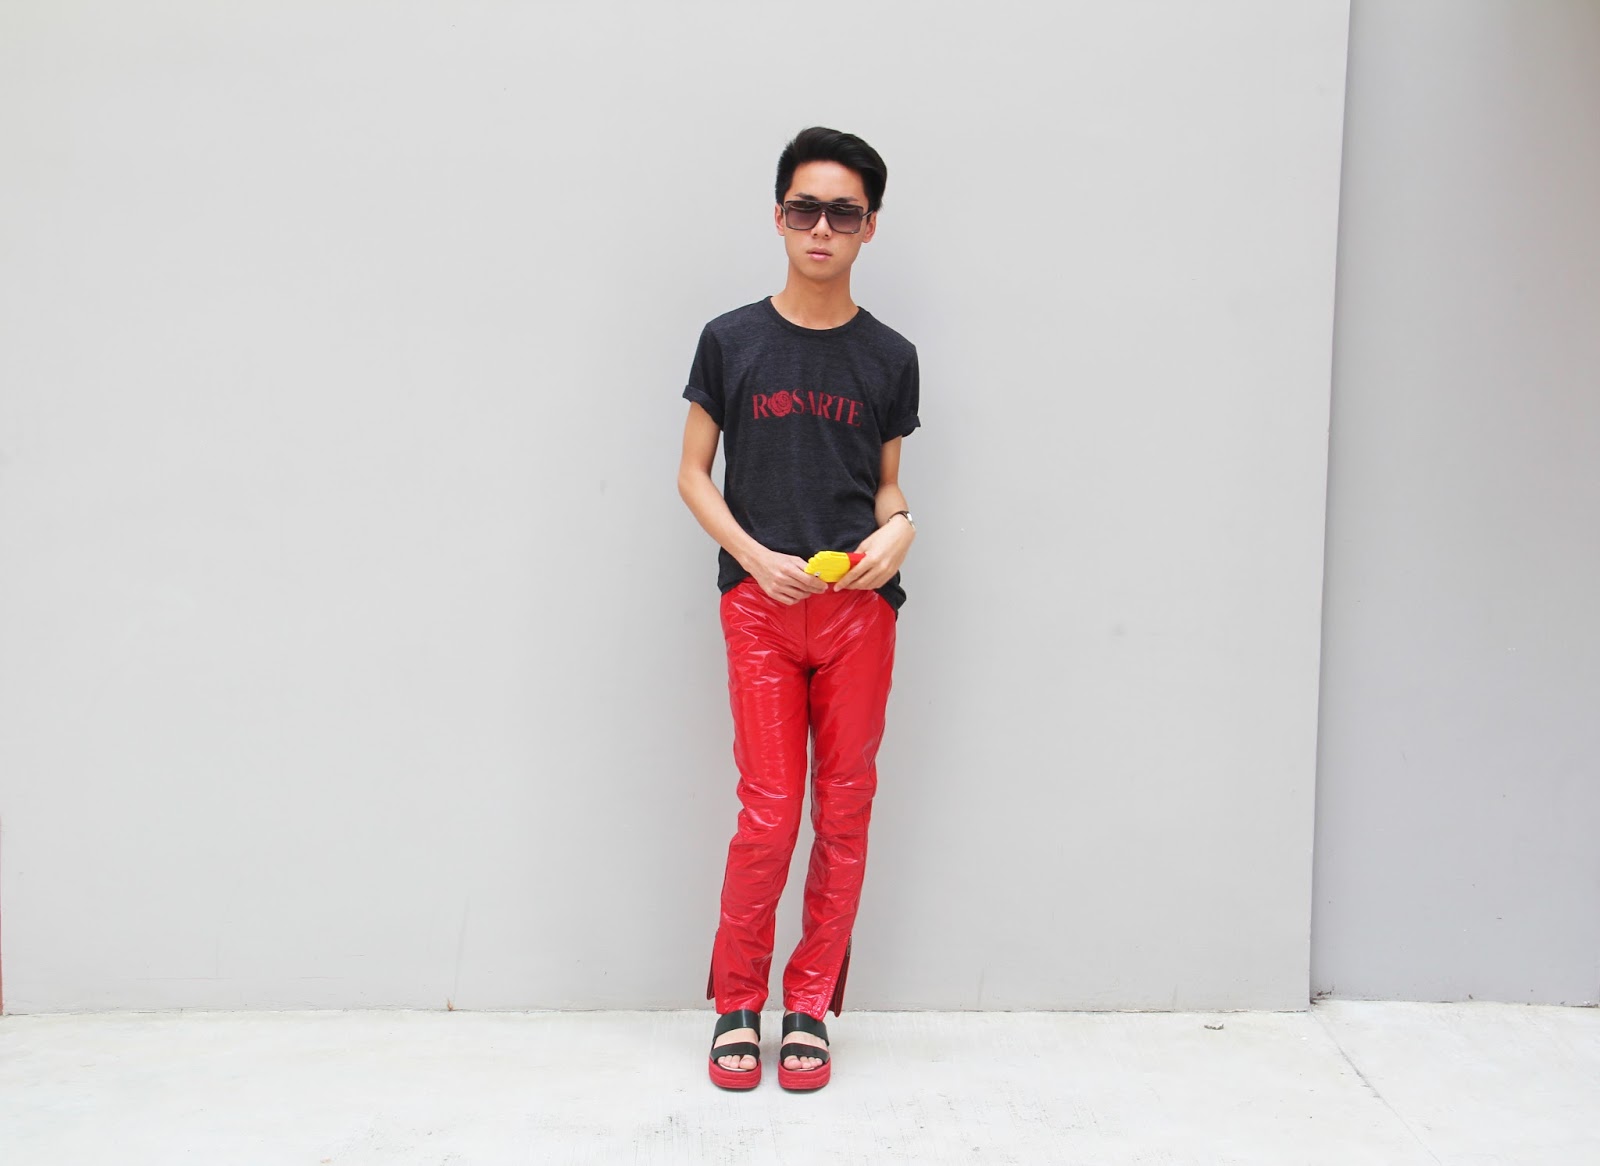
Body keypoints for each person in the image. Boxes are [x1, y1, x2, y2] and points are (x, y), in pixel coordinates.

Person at [676, 126, 920, 1092]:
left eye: (843, 214)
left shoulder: (890, 356)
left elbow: (887, 484)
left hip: (860, 609)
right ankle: (739, 1000)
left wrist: (901, 528)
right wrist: (753, 557)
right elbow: (693, 474)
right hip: (760, 608)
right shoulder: (731, 341)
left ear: (870, 227)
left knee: (845, 810)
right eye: (806, 209)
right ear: (779, 217)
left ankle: (809, 1004)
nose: (823, 229)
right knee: (771, 813)